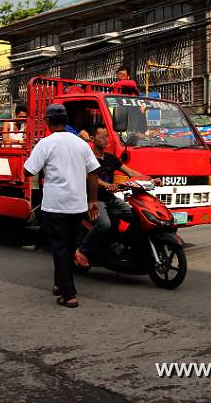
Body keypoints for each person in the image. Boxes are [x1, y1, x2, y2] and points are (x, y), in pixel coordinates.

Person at [24, 104, 100, 308]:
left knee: (59, 248)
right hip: (77, 207)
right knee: (68, 247)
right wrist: (92, 201)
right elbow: (93, 173)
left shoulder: (45, 144)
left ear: (48, 123)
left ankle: (69, 295)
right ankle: (59, 285)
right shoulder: (81, 144)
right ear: (66, 121)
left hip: (54, 206)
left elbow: (28, 171)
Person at [75, 124, 142, 268]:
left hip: (111, 199)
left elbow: (130, 172)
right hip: (95, 199)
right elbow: (90, 177)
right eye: (103, 136)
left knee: (139, 217)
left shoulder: (111, 158)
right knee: (104, 224)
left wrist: (149, 178)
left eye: (107, 136)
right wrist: (107, 185)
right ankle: (82, 251)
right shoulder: (88, 158)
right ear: (92, 139)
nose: (106, 139)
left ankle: (120, 244)